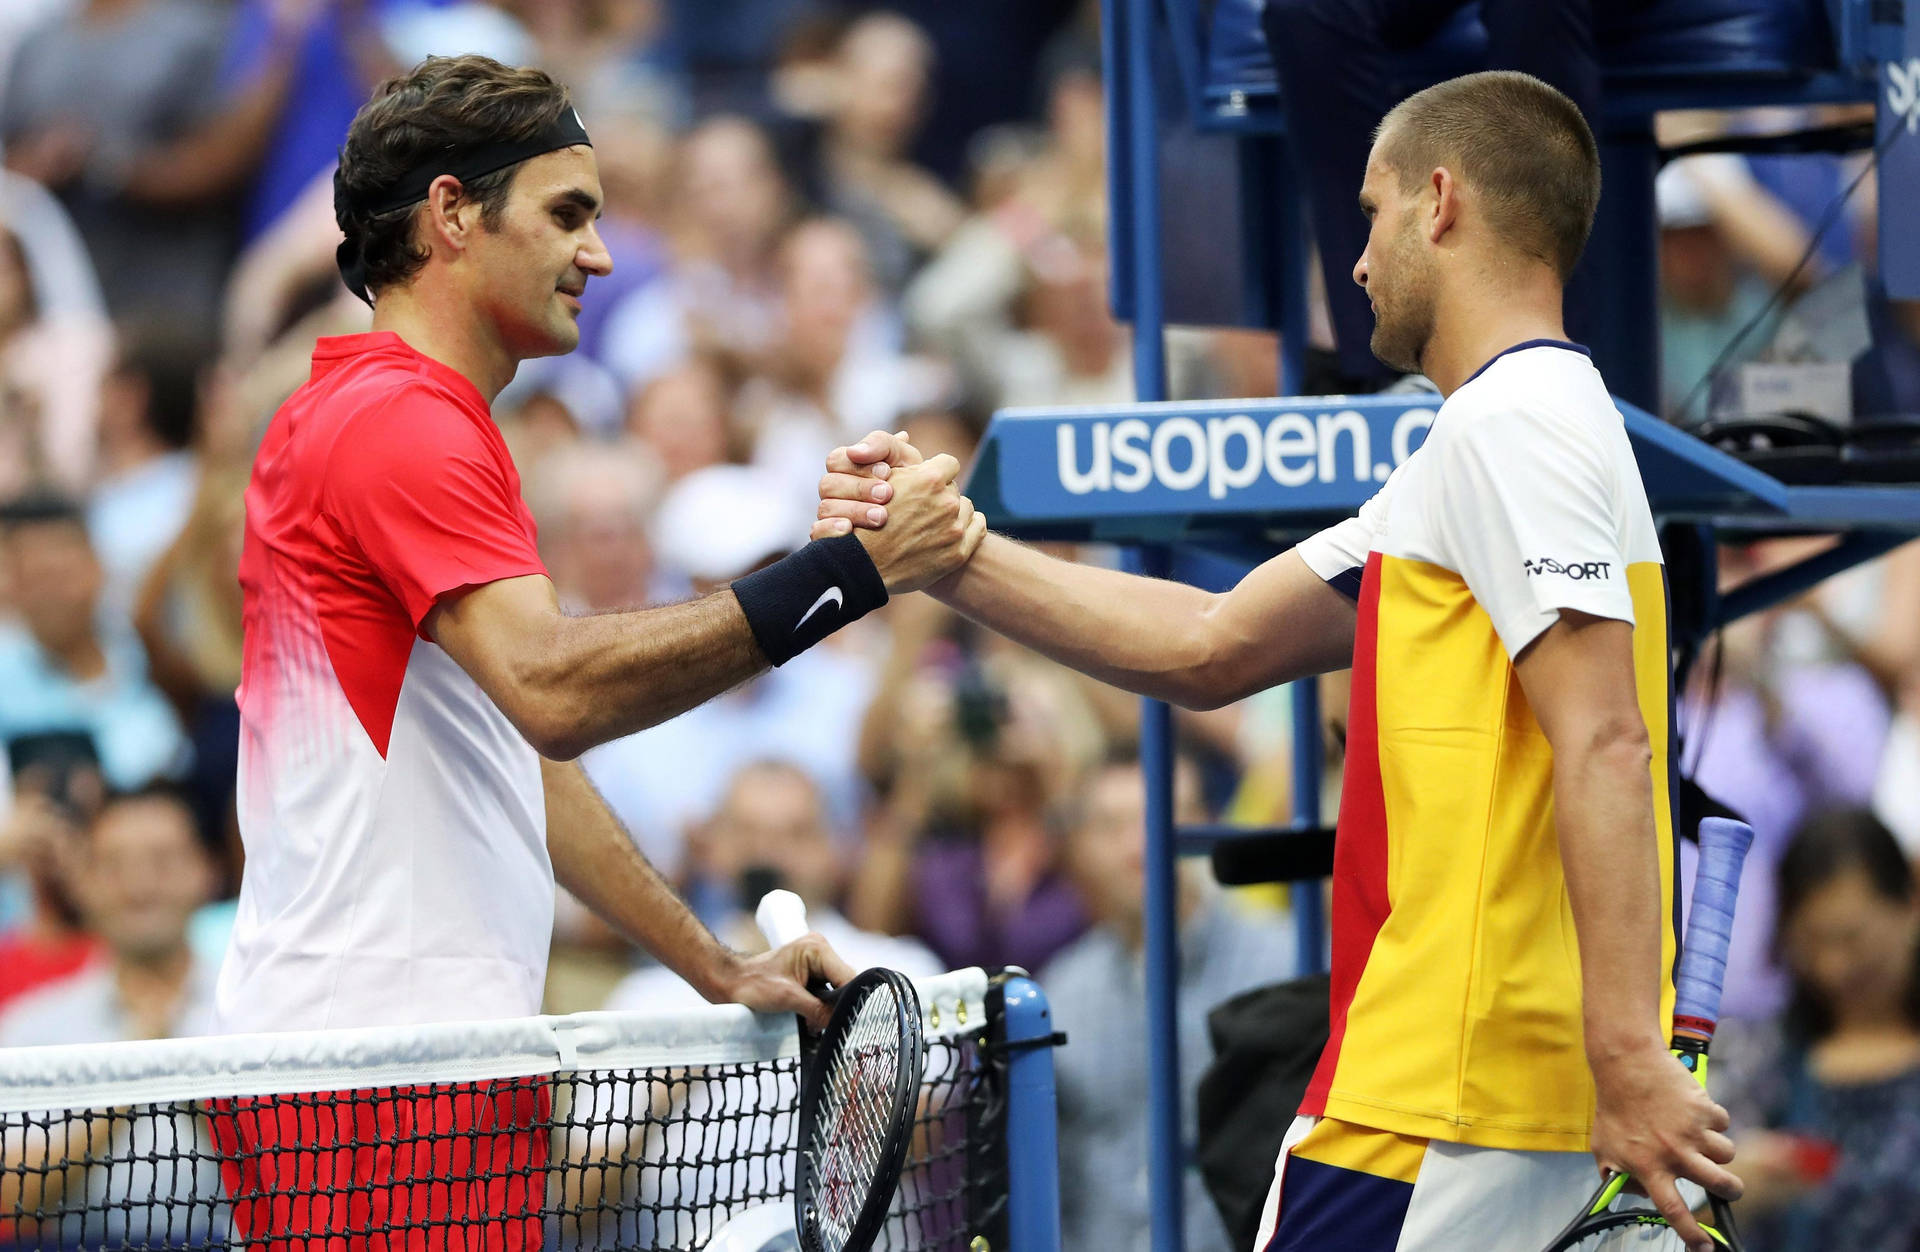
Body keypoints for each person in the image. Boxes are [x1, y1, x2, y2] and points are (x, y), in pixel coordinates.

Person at [817, 71, 1739, 1251]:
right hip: (1464, 1088)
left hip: (1454, 1099)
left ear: (1440, 202)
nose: (1354, 261)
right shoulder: (1472, 447)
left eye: (1370, 210)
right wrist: (948, 556)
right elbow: (1210, 645)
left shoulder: (1521, 422)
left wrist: (1629, 1054)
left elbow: (1607, 739)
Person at [211, 54, 983, 1249]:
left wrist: (713, 966)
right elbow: (554, 691)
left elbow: (521, 756)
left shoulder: (385, 415)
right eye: (569, 214)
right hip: (375, 1087)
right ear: (453, 213)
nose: (603, 256)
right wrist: (846, 575)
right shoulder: (398, 422)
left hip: (416, 1070)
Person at [1044, 752, 1295, 1252]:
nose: (1137, 845)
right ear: (1079, 846)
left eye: (1160, 817)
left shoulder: (1284, 965)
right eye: (1111, 825)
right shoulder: (1060, 993)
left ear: (1201, 827)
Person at [0, 783, 225, 1249]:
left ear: (207, 870)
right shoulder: (30, 1026)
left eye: (163, 861)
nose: (140, 886)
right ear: (81, 881)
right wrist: (132, 1076)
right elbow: (9, 1196)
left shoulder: (259, 1016)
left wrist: (185, 1068)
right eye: (115, 865)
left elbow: (291, 1169)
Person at [1712, 809, 1920, 1252]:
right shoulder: (1765, 1060)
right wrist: (1730, 1189)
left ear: (1909, 904)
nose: (1834, 966)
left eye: (1852, 937)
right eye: (1811, 942)